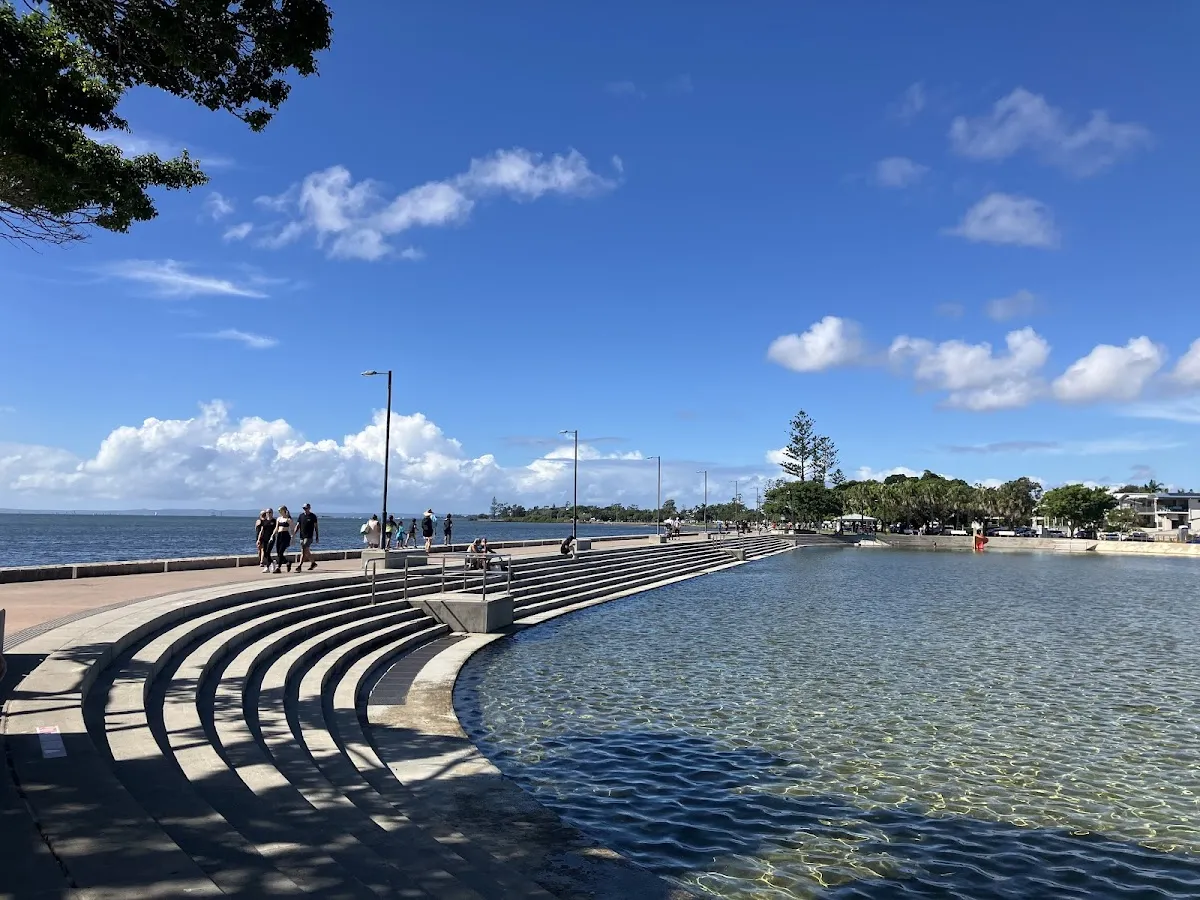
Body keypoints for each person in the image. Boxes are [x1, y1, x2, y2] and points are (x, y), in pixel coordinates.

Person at [271, 505, 294, 573]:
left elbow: (292, 529)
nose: (279, 512)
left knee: (281, 551)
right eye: (278, 511)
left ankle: (278, 568)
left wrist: (292, 537)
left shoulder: (288, 519)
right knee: (278, 553)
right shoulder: (278, 519)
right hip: (279, 535)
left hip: (285, 536)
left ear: (284, 511)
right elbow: (276, 528)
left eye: (280, 510)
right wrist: (272, 535)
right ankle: (288, 562)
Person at [296, 503, 319, 570]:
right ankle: (313, 563)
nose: (305, 510)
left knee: (304, 549)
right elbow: (298, 525)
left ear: (309, 508)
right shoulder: (301, 516)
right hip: (302, 536)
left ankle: (299, 566)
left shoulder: (313, 516)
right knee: (306, 551)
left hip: (309, 537)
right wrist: (294, 534)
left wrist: (317, 536)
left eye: (306, 508)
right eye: (304, 508)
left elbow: (316, 527)